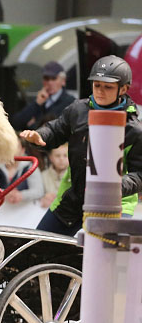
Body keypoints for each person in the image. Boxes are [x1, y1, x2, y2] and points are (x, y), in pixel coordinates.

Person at [21, 55, 142, 235]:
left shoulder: (135, 130)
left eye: (108, 87)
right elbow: (55, 130)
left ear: (123, 89)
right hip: (72, 198)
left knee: (103, 261)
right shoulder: (77, 109)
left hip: (115, 206)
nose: (100, 91)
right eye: (96, 85)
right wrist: (40, 135)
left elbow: (139, 174)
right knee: (38, 247)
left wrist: (116, 186)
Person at [10, 61, 76, 130]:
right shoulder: (39, 100)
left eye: (54, 78)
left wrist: (34, 123)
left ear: (63, 81)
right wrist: (36, 104)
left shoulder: (70, 102)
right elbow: (16, 123)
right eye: (46, 78)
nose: (50, 82)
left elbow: (55, 127)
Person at [0, 139, 44, 205]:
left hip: (23, 211)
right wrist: (6, 194)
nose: (11, 150)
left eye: (15, 146)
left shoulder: (31, 167)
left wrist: (21, 195)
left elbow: (38, 191)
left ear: (22, 150)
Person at [40, 144, 69, 209]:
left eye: (65, 156)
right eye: (57, 156)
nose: (61, 159)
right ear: (50, 157)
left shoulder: (74, 175)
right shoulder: (43, 175)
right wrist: (44, 198)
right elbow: (38, 196)